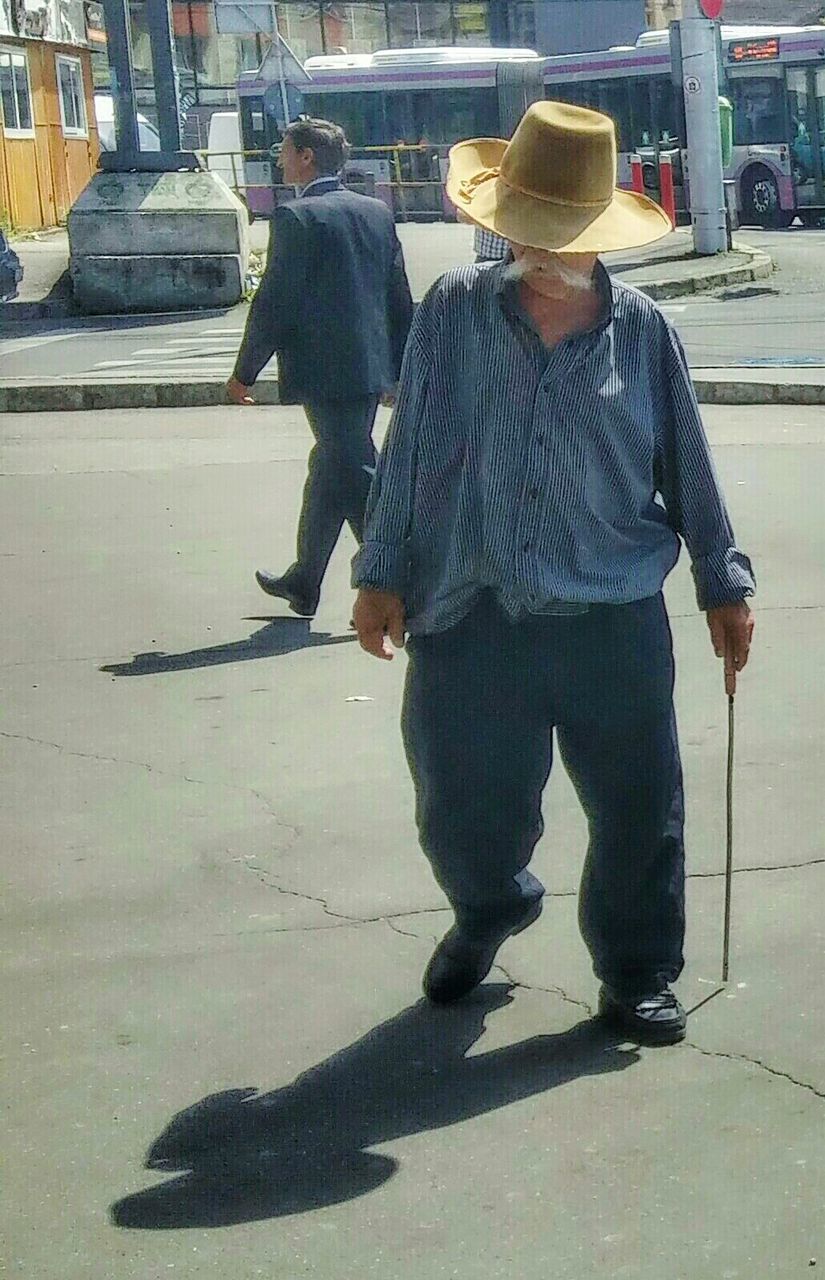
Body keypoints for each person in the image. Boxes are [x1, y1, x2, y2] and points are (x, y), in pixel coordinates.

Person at [352, 101, 755, 1046]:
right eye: (525, 230)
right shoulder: (454, 311)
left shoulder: (642, 329)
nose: (540, 249)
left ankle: (637, 971)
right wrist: (379, 572)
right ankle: (490, 905)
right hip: (471, 604)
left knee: (636, 810)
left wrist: (722, 581)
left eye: (560, 232)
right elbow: (411, 448)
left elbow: (685, 460)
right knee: (458, 809)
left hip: (609, 611)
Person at [227, 117, 414, 618]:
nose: (279, 158)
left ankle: (402, 565)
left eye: (285, 150)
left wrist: (245, 371)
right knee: (332, 466)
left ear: (307, 156)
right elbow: (398, 295)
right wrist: (401, 367)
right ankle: (306, 580)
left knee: (351, 464)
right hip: (370, 366)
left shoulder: (297, 217)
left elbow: (275, 303)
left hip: (323, 371)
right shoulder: (376, 212)